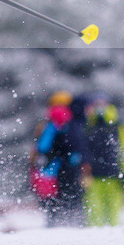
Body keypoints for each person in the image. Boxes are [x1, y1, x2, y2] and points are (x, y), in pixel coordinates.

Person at [29, 92, 91, 228]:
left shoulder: (47, 124)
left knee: (53, 201)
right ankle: (74, 224)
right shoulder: (72, 123)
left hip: (51, 169)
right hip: (67, 168)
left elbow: (40, 147)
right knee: (72, 198)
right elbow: (77, 144)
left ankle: (56, 224)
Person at [82, 96, 124, 226]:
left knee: (110, 213)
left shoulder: (117, 126)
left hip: (113, 175)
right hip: (96, 177)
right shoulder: (88, 126)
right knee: (96, 214)